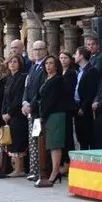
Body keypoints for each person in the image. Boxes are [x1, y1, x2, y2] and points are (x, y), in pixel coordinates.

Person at [34, 55, 72, 187]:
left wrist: (43, 115)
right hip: (47, 114)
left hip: (55, 114)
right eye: (46, 64)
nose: (48, 66)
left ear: (56, 65)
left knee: (55, 144)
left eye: (51, 63)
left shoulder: (58, 79)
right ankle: (54, 169)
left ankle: (55, 172)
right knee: (50, 144)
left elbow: (52, 100)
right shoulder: (46, 79)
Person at [22, 41, 47, 181]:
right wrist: (24, 102)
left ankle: (40, 170)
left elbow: (40, 90)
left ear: (45, 50)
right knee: (32, 141)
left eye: (40, 49)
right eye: (35, 49)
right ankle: (33, 169)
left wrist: (31, 105)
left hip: (37, 109)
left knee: (39, 141)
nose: (37, 52)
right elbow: (27, 87)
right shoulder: (32, 67)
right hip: (29, 108)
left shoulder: (44, 67)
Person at [2, 54, 29, 177]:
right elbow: (5, 98)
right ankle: (14, 167)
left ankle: (19, 169)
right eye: (10, 62)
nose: (12, 64)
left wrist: (10, 112)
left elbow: (18, 98)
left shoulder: (22, 77)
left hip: (17, 114)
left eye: (15, 62)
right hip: (9, 115)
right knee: (11, 140)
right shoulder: (9, 78)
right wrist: (3, 112)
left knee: (18, 140)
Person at [73, 46, 101, 151]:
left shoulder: (91, 71)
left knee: (87, 136)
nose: (74, 56)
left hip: (86, 109)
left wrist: (83, 107)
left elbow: (91, 92)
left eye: (76, 54)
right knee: (81, 136)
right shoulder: (79, 71)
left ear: (81, 56)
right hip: (77, 106)